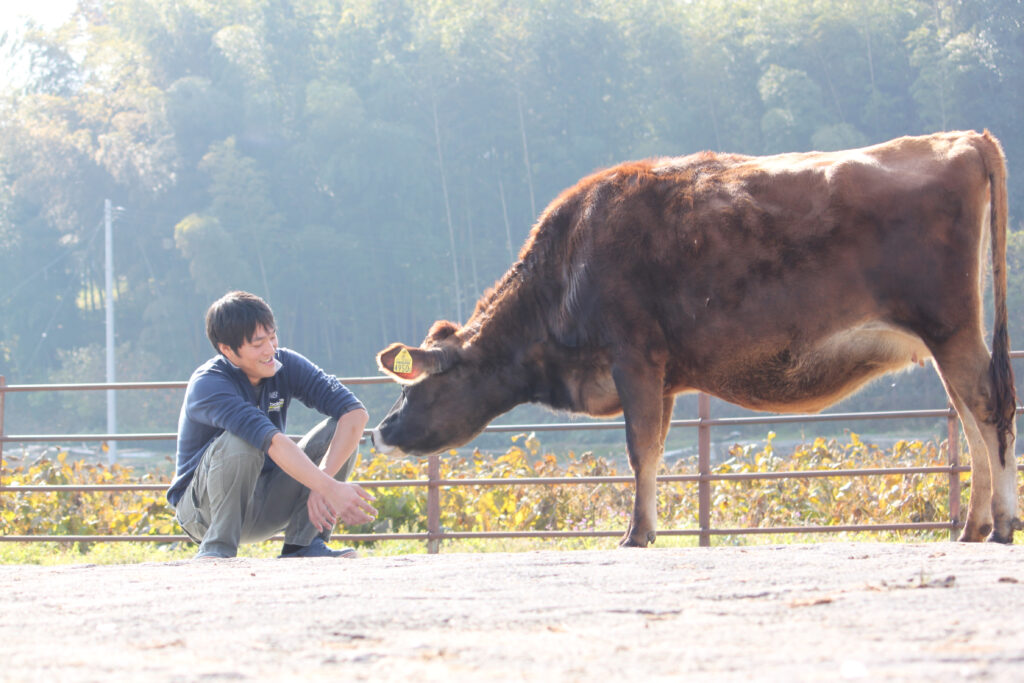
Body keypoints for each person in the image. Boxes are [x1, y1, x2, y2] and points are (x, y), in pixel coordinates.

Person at [166, 290, 377, 559]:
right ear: (228, 350)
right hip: (203, 513)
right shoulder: (209, 384)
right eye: (257, 344)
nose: (270, 349)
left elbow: (355, 413)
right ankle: (217, 550)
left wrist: (321, 484)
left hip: (264, 500)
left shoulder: (285, 364)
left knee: (338, 431)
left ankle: (303, 545)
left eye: (272, 336)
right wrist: (330, 487)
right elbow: (271, 441)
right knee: (243, 439)